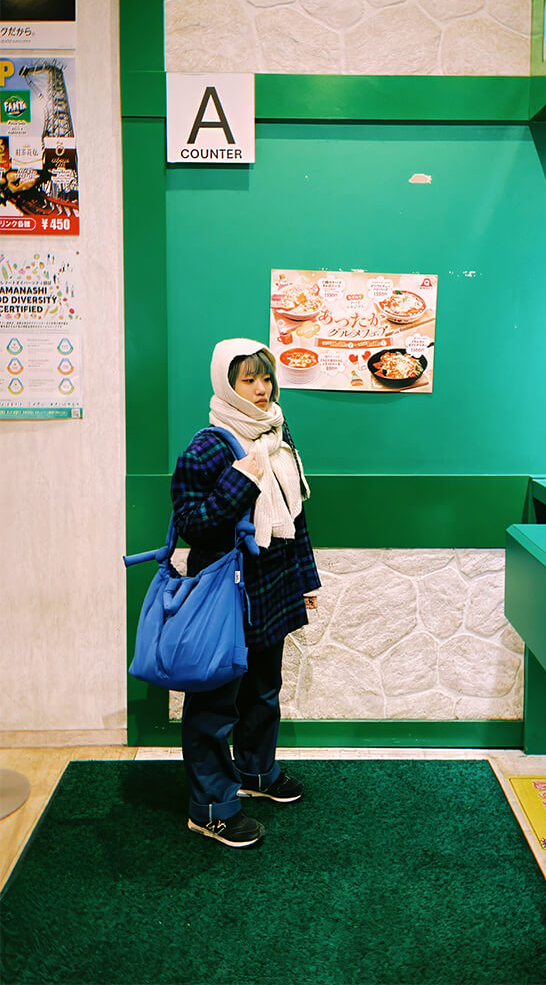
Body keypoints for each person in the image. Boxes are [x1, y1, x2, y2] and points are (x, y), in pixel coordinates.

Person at [171, 338, 321, 849]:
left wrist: (307, 579)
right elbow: (192, 525)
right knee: (215, 704)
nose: (261, 390)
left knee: (263, 688)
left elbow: (295, 516)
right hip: (226, 592)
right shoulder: (207, 447)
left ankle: (256, 771)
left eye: (266, 378)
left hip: (272, 584)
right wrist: (242, 479)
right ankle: (210, 808)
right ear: (226, 385)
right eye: (248, 380)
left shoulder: (276, 432)